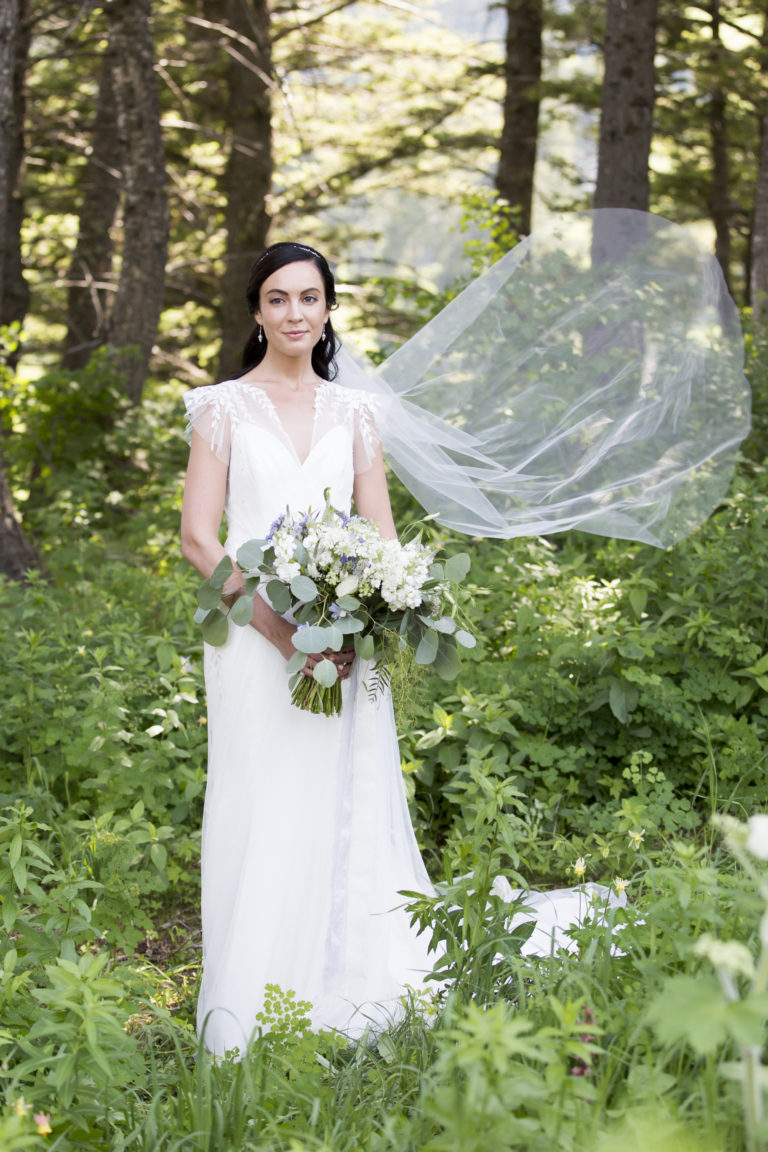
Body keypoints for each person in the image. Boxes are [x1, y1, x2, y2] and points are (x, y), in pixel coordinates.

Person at [181, 242, 437, 1055]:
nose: (296, 314)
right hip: (257, 641)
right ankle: (254, 988)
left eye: (310, 299)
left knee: (339, 796)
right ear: (256, 313)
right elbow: (197, 537)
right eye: (279, 299)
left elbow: (382, 535)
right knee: (263, 795)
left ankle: (347, 975)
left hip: (344, 643)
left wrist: (362, 620)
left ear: (329, 309)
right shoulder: (222, 409)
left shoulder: (357, 413)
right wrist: (275, 627)